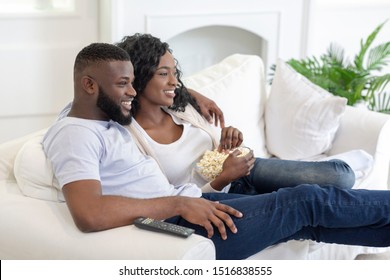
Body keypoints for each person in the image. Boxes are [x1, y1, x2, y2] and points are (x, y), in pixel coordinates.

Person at [43, 42, 390, 260]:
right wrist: (180, 202)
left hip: (193, 204)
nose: (132, 92)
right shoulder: (75, 134)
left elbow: (96, 93)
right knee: (305, 201)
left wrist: (187, 93)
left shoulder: (97, 118)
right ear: (89, 85)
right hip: (181, 222)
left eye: (134, 82)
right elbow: (88, 214)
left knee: (311, 219)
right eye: (124, 84)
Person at [115, 33, 356, 194]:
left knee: (341, 176)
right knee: (314, 198)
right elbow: (176, 200)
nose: (174, 81)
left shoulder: (182, 106)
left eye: (175, 72)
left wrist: (226, 143)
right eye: (163, 73)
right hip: (222, 192)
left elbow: (217, 153)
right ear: (139, 75)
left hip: (245, 170)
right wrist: (224, 177)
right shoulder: (130, 140)